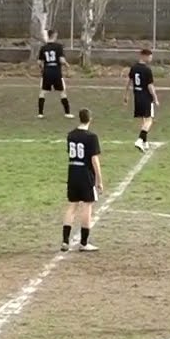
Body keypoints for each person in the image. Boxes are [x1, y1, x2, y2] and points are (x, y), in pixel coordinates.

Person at [61, 108, 102, 252]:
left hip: (73, 172)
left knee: (72, 206)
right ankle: (84, 243)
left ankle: (65, 241)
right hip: (85, 175)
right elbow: (94, 160)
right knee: (87, 206)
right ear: (90, 119)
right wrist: (99, 180)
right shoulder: (92, 137)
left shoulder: (70, 135)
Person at [124, 49, 159, 153]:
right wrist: (155, 98)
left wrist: (126, 95)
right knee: (149, 120)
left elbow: (129, 82)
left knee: (143, 120)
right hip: (146, 97)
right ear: (144, 56)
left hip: (137, 97)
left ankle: (144, 141)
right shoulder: (147, 70)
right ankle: (139, 140)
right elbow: (150, 86)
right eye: (150, 57)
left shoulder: (134, 68)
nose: (151, 59)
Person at [37, 29, 74, 119]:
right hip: (56, 72)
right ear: (55, 35)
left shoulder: (43, 48)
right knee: (62, 92)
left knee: (42, 92)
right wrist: (67, 65)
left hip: (47, 72)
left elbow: (39, 62)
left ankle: (40, 113)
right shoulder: (58, 47)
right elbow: (61, 60)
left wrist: (42, 69)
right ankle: (67, 113)